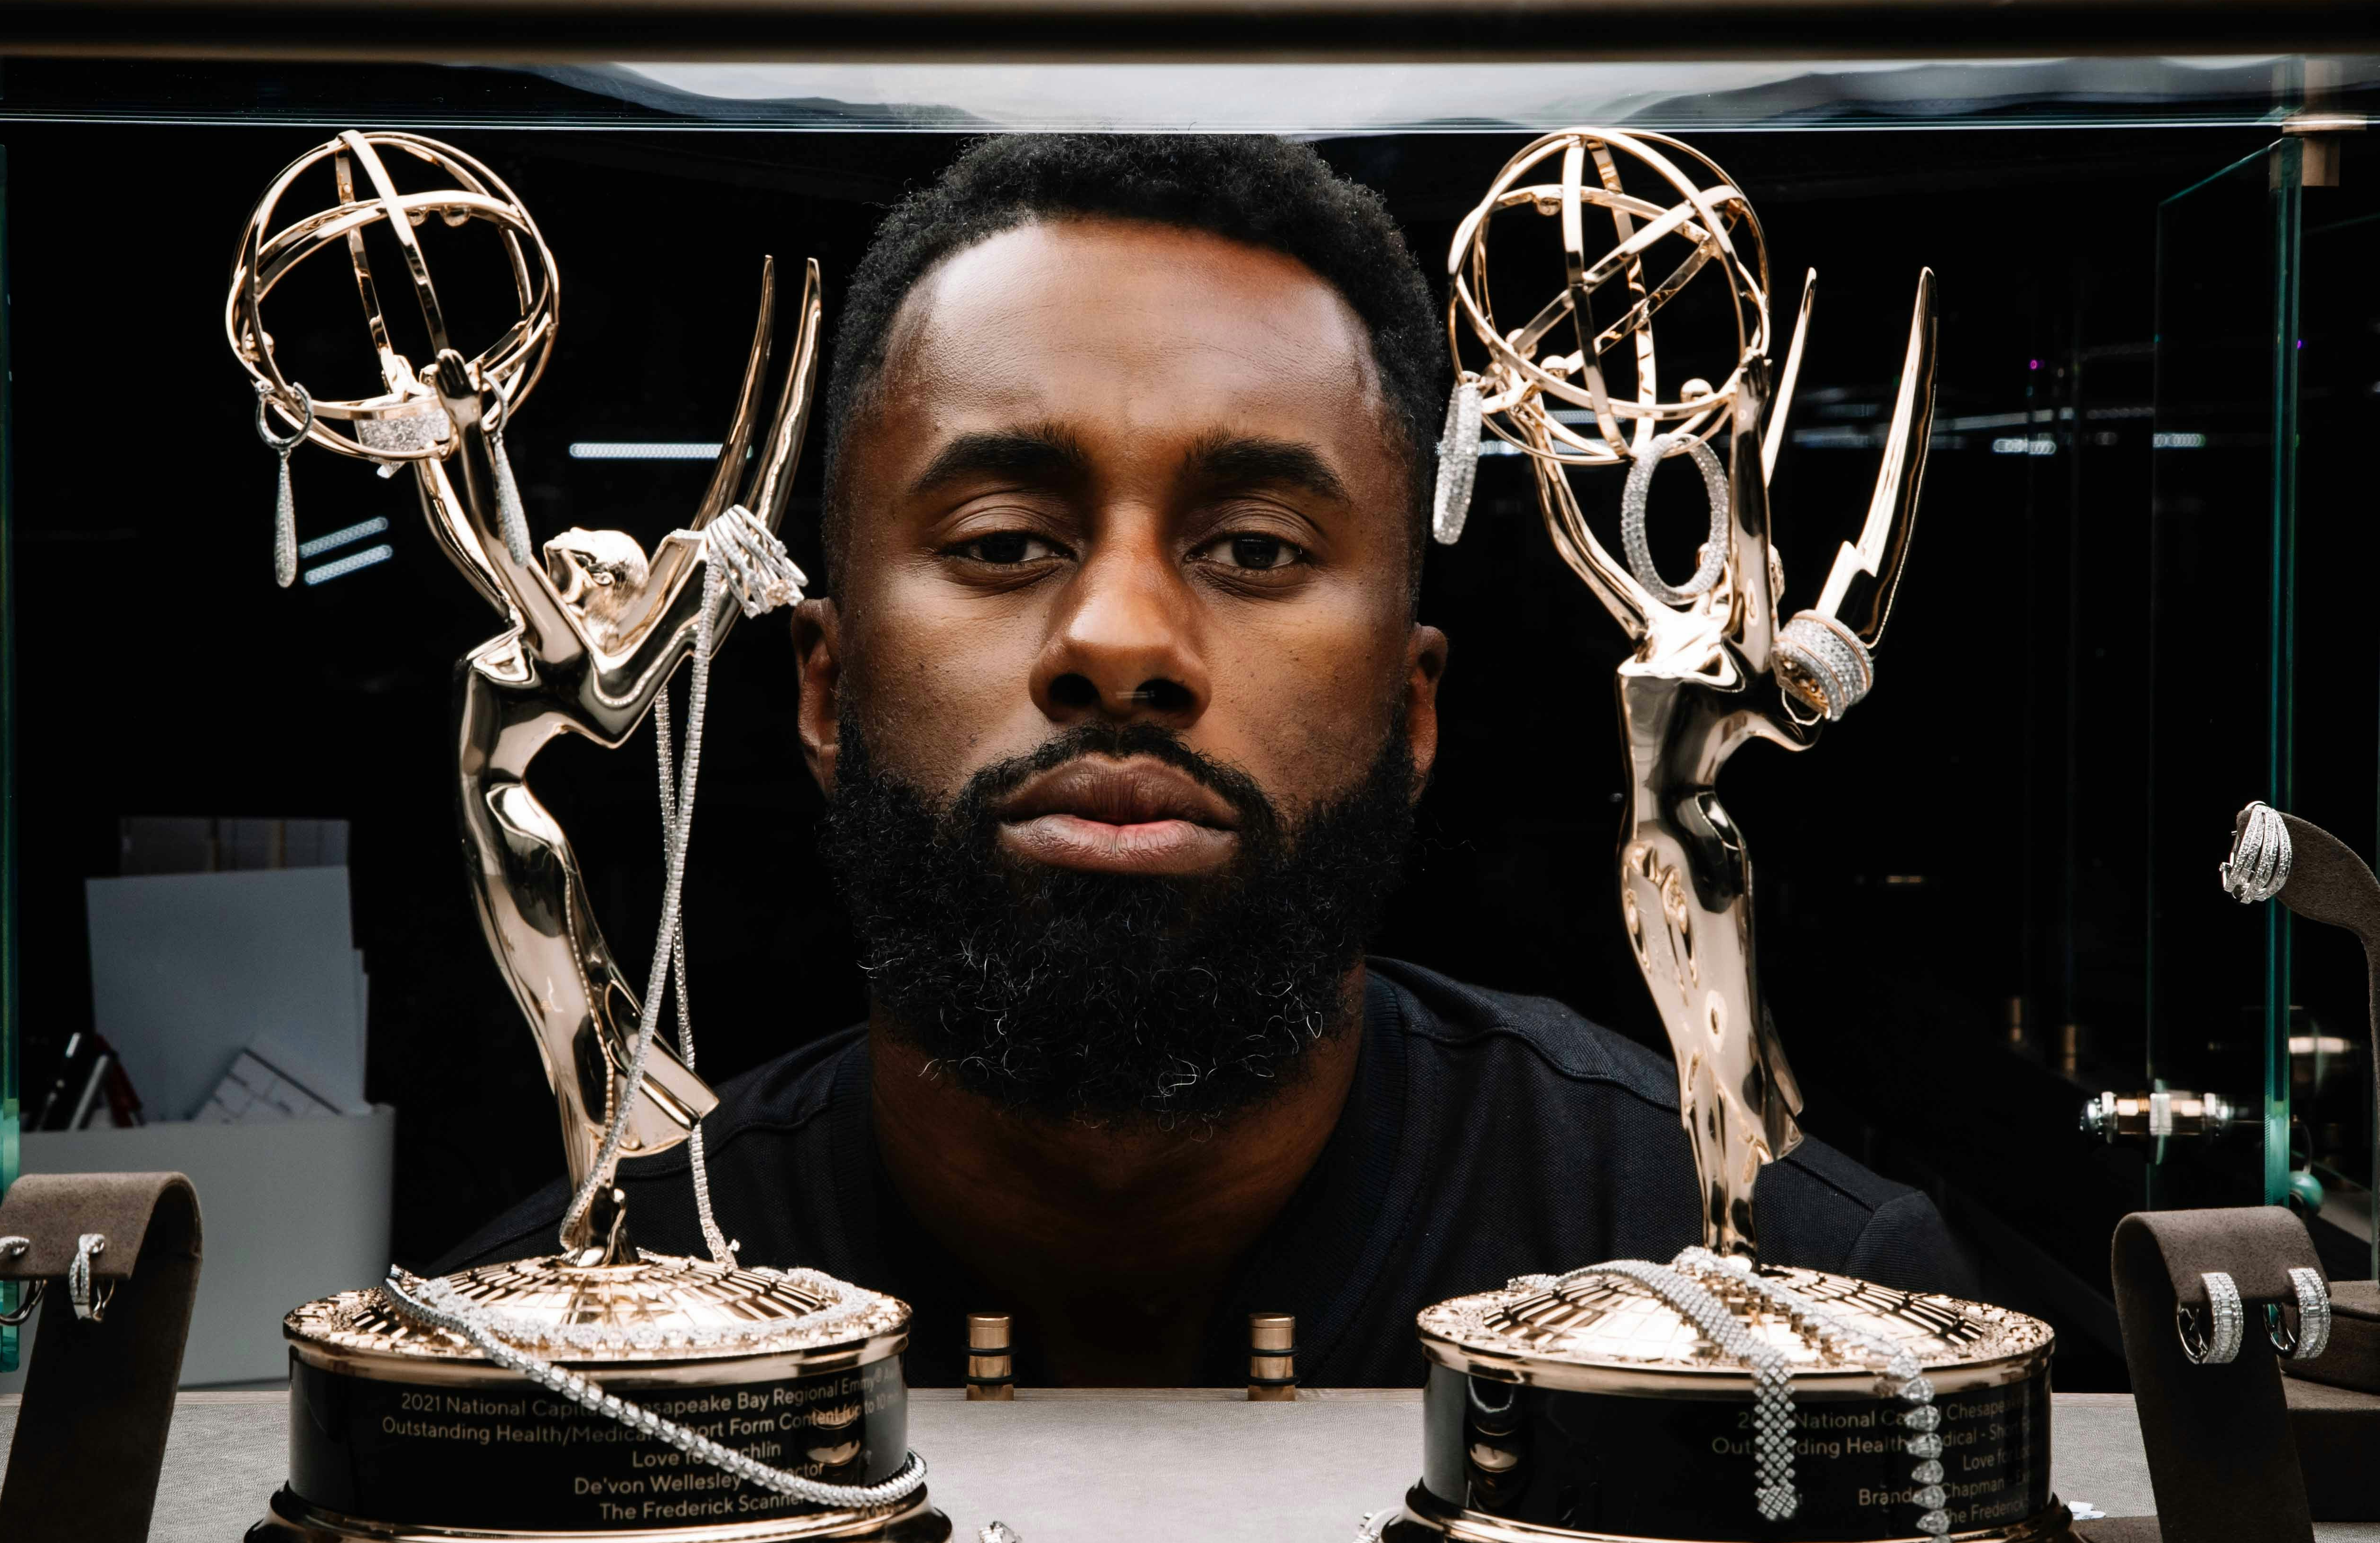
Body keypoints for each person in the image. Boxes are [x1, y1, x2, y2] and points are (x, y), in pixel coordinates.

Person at [441, 134, 1976, 1385]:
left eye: (1253, 548)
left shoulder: (1822, 1308)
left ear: (1416, 708)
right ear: (825, 687)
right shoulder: (530, 1355)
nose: (1120, 641)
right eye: (1002, 543)